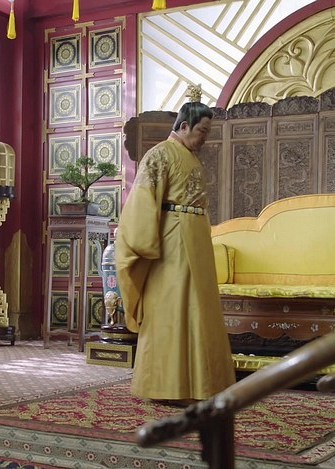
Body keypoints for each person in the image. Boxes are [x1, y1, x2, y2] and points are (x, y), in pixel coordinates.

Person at [114, 89, 235, 405]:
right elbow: (142, 203)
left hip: (195, 238)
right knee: (174, 310)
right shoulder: (159, 155)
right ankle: (167, 385)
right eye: (202, 131)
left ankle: (202, 384)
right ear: (183, 126)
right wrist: (146, 244)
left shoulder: (190, 157)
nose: (205, 138)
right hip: (172, 244)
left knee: (199, 310)